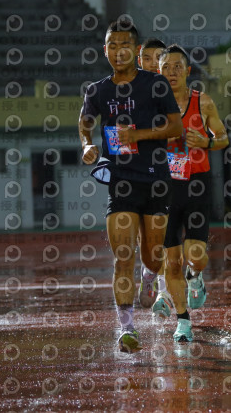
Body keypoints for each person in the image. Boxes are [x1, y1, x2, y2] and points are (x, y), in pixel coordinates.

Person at [78, 20, 183, 352]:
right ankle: (127, 329)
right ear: (105, 50)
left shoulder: (155, 84)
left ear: (136, 51)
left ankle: (149, 277)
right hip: (121, 183)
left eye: (124, 45)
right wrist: (87, 145)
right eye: (112, 45)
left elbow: (175, 127)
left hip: (155, 181)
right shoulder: (97, 90)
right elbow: (84, 122)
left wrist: (138, 135)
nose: (118, 51)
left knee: (152, 257)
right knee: (123, 256)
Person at [149, 44, 229, 342]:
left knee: (195, 255)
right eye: (165, 68)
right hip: (163, 189)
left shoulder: (202, 102)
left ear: (187, 71)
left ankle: (196, 277)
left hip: (196, 184)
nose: (171, 73)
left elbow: (223, 138)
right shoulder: (151, 106)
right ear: (158, 72)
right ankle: (183, 322)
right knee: (171, 262)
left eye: (177, 67)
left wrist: (206, 142)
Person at [135, 37, 167, 309]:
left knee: (171, 236)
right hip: (137, 173)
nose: (152, 64)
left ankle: (164, 295)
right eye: (147, 58)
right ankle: (148, 273)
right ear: (139, 60)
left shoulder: (174, 90)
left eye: (158, 59)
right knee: (146, 241)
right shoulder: (128, 92)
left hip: (171, 172)